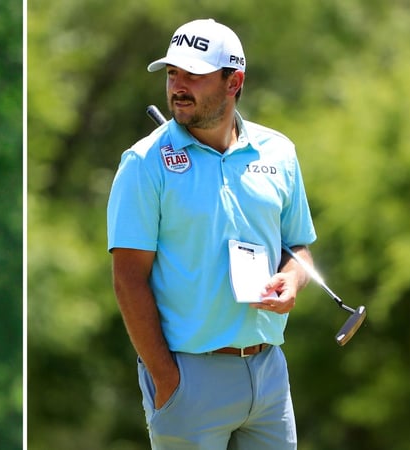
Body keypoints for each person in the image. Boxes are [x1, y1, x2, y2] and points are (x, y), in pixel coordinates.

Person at [107, 19, 316, 449]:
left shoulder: (279, 153)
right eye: (171, 74)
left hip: (269, 375)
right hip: (189, 378)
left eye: (193, 75)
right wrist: (168, 380)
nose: (178, 86)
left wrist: (292, 280)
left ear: (233, 82)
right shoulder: (144, 162)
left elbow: (299, 246)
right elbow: (128, 278)